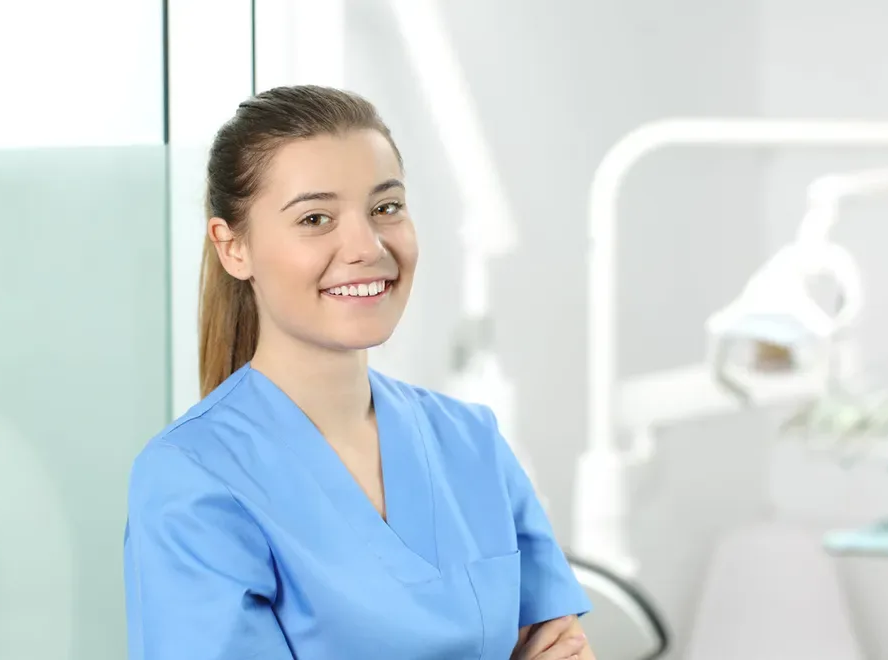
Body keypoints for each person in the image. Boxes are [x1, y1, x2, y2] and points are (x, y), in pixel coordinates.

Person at [123, 85, 595, 660]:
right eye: (316, 218)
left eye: (386, 208)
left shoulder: (471, 441)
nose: (367, 246)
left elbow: (561, 645)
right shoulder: (192, 480)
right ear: (233, 248)